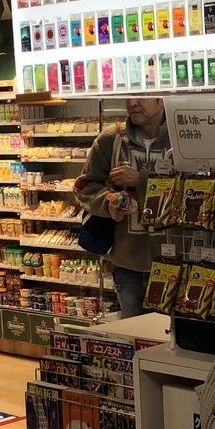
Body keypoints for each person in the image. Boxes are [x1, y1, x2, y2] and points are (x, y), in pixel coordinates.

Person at [76, 97, 172, 317]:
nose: (132, 103)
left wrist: (141, 180)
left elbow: (198, 188)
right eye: (128, 96)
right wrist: (108, 202)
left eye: (141, 96)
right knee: (134, 333)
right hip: (127, 266)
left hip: (175, 266)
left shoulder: (182, 136)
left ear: (161, 98)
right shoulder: (112, 138)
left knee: (172, 335)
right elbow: (83, 186)